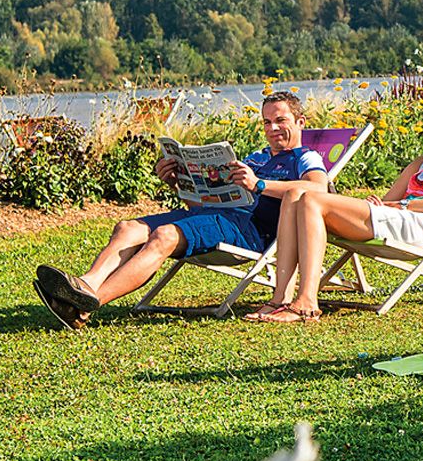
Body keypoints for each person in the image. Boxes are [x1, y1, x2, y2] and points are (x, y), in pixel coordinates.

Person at [32, 93, 329, 330]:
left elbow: (318, 189)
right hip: (215, 216)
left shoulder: (305, 157)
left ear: (300, 121)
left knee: (164, 236)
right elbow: (203, 203)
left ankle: (85, 306)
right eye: (266, 122)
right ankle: (85, 285)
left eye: (280, 120)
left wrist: (258, 184)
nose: (273, 128)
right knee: (127, 227)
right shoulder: (256, 157)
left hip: (248, 229)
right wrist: (178, 182)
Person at [249, 96, 423, 323]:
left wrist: (404, 205)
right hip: (394, 217)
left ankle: (306, 303)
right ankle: (279, 298)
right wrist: (378, 204)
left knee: (312, 198)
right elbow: (387, 200)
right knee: (295, 194)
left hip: (421, 226)